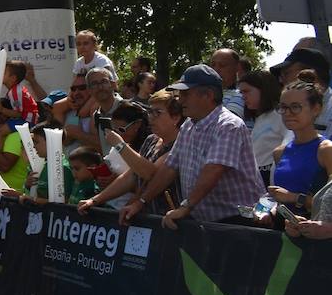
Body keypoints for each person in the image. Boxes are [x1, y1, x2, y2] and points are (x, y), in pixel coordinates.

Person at [118, 65, 263, 229]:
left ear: (208, 95)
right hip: (208, 224)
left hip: (238, 224)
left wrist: (185, 207)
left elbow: (213, 170)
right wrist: (140, 202)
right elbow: (169, 168)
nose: (180, 100)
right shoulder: (188, 126)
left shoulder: (229, 126)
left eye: (186, 94)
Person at [80, 90, 183, 216]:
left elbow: (151, 174)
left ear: (176, 117)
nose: (151, 117)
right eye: (150, 112)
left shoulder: (181, 144)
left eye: (158, 113)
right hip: (147, 217)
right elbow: (131, 177)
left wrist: (120, 145)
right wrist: (95, 200)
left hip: (169, 221)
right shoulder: (151, 140)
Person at [267, 80, 332, 218]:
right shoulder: (280, 153)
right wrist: (269, 211)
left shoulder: (326, 150)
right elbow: (280, 200)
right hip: (283, 232)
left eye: (295, 107)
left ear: (316, 109)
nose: (288, 113)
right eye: (283, 107)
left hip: (315, 234)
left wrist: (295, 198)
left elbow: (328, 206)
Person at [239, 69, 284, 183]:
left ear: (264, 90)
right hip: (255, 176)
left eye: (247, 91)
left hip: (271, 177)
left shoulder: (280, 115)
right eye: (241, 93)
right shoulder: (260, 117)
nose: (243, 97)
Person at [210, 48, 245, 118]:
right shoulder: (206, 93)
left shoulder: (243, 94)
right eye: (213, 65)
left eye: (222, 65)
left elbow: (226, 123)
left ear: (237, 67)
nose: (216, 70)